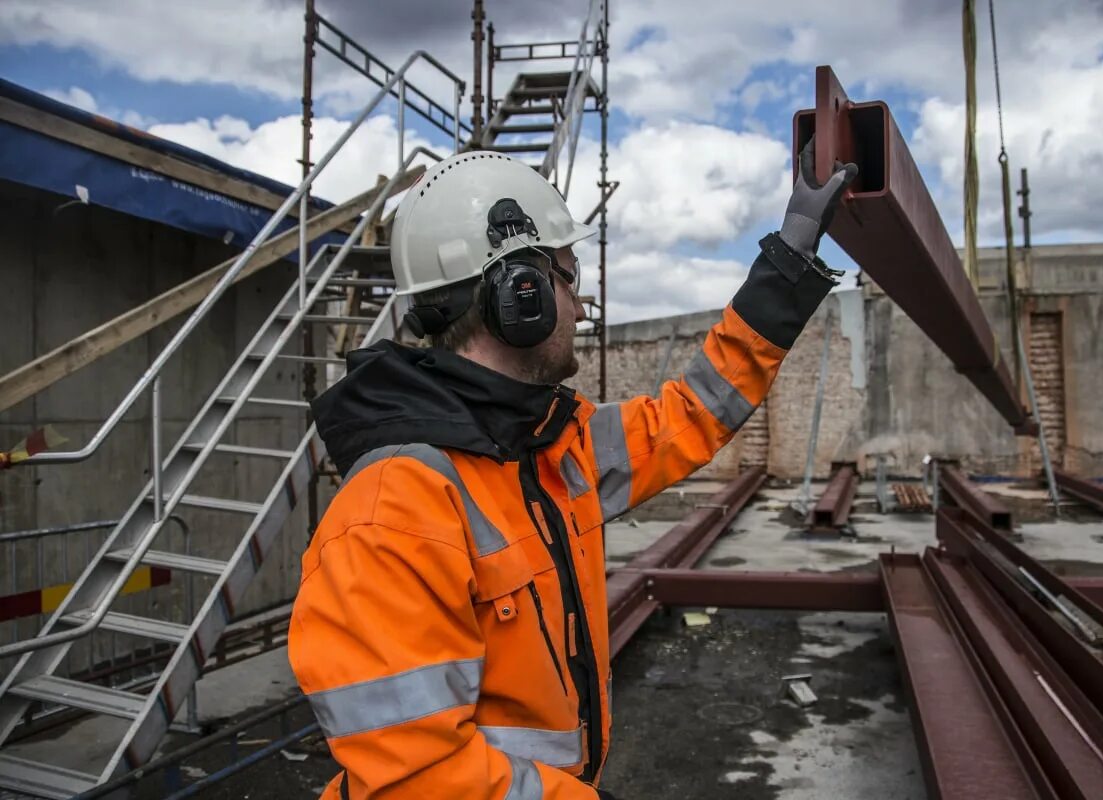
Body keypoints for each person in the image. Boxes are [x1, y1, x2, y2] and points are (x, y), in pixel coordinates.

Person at [288, 144, 857, 799]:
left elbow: (693, 414)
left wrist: (789, 256)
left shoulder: (552, 447)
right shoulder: (395, 510)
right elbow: (419, 782)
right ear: (519, 294)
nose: (580, 305)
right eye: (568, 275)